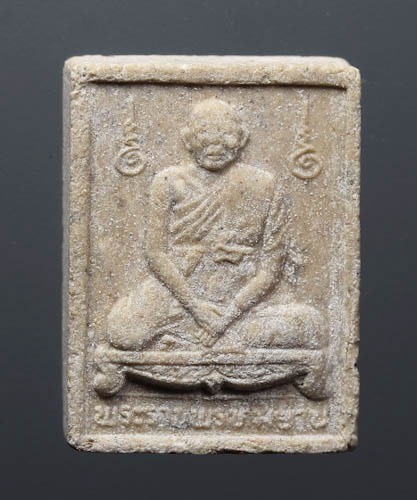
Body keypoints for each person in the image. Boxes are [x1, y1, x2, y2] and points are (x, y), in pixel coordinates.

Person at [108, 98, 324, 351]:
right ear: (187, 138)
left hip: (240, 295)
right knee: (122, 332)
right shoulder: (168, 182)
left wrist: (226, 318)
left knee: (312, 326)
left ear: (241, 138)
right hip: (181, 288)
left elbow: (270, 270)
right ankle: (223, 337)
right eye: (204, 133)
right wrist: (196, 307)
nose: (215, 144)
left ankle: (203, 337)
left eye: (225, 134)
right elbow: (156, 253)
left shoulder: (265, 185)